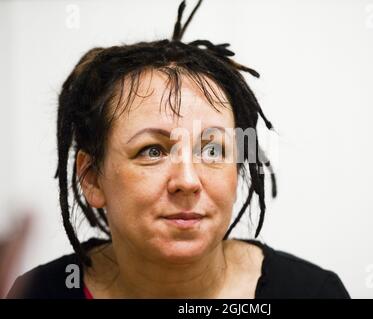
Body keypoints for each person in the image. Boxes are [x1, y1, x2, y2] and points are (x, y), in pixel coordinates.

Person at [7, 0, 350, 299]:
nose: (187, 181)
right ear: (92, 177)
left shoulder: (310, 292)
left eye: (213, 151)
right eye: (152, 150)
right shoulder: (40, 292)